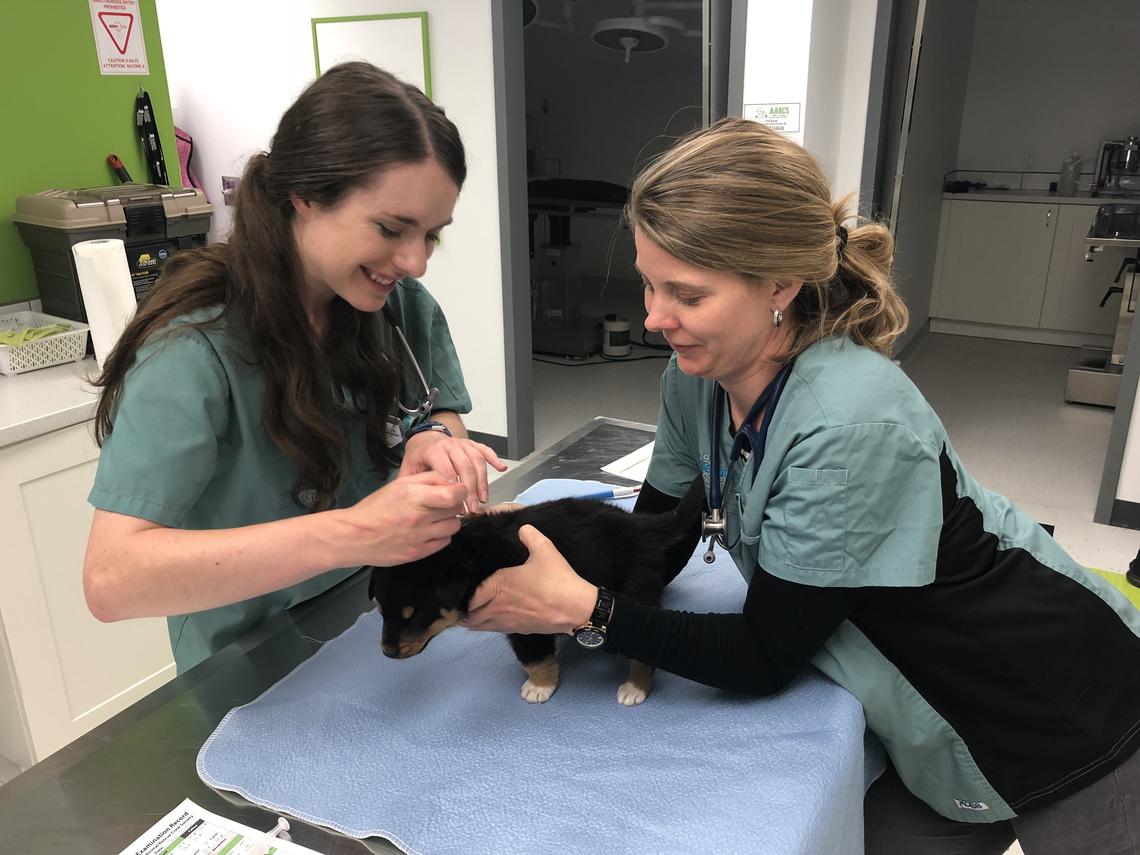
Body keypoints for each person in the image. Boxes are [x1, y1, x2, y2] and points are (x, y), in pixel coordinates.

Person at [466, 118, 1140, 854]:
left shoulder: (846, 423)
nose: (655, 319)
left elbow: (763, 655)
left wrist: (586, 608)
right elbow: (650, 538)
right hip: (920, 705)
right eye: (648, 283)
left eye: (686, 294)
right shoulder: (696, 381)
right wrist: (530, 537)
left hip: (1062, 706)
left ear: (780, 284)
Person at [83, 62, 505, 673]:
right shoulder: (194, 349)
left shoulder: (397, 310)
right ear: (304, 197)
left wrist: (439, 446)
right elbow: (111, 582)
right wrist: (355, 532)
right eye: (391, 228)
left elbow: (435, 411)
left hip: (381, 622)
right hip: (251, 663)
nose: (415, 262)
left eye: (432, 236)